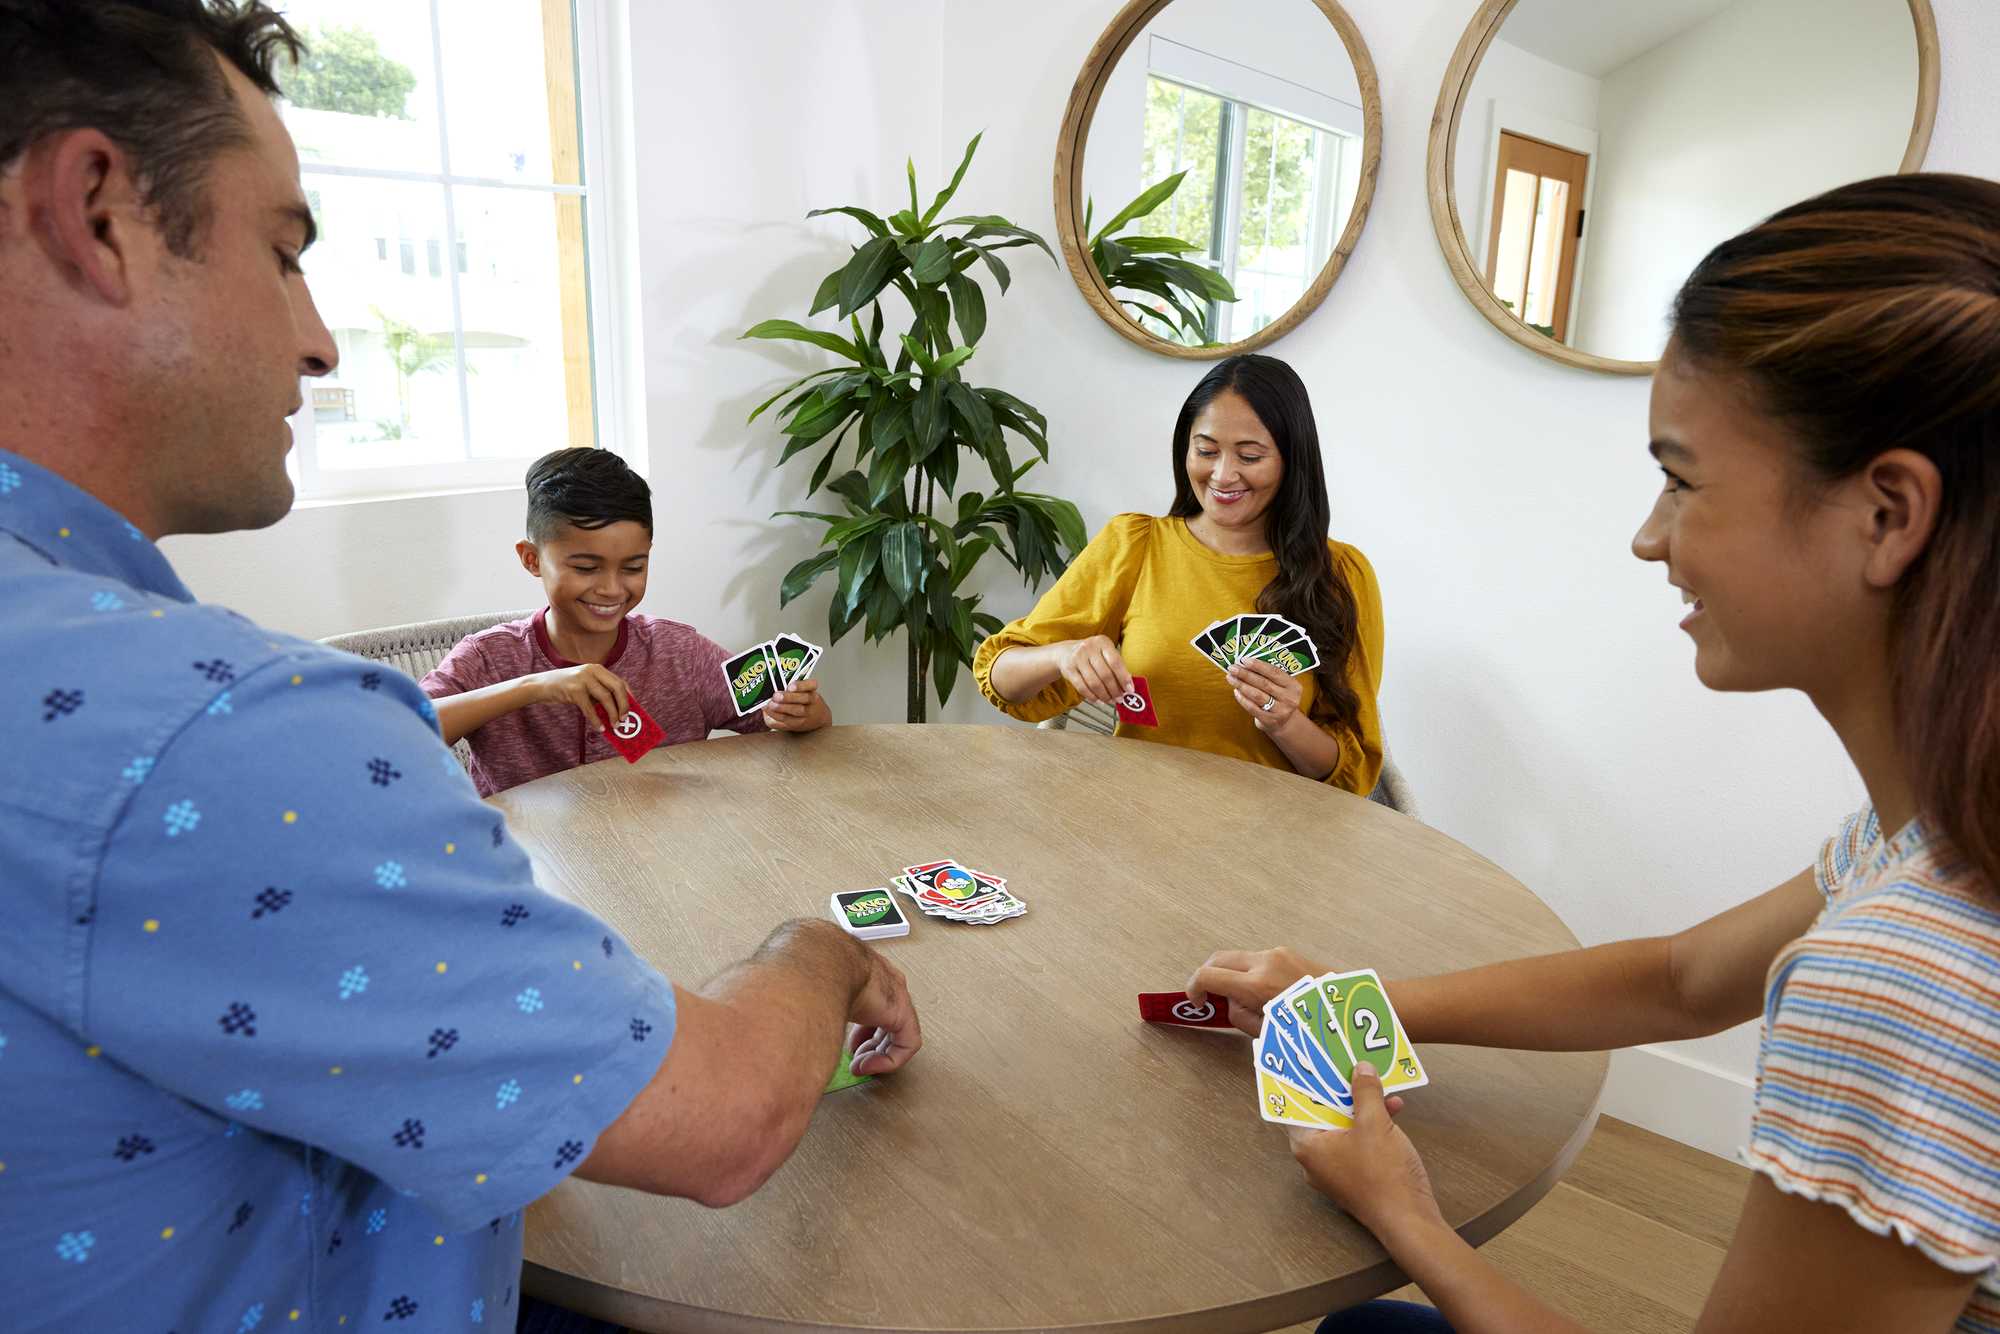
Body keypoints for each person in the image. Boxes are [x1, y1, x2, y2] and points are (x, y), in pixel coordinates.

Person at [0, 5, 919, 1332]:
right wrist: (817, 948)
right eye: (283, 253)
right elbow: (724, 1120)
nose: (320, 341)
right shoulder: (232, 733)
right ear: (96, 214)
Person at [1186, 174, 2000, 1334]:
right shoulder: (1925, 834)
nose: (1645, 536)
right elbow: (1681, 977)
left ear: (1887, 513)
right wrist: (1349, 999)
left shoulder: (1906, 975)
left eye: (1679, 478)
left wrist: (1403, 1212)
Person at [974, 355, 1386, 793]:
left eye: (1250, 456)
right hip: (1141, 812)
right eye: (1206, 451)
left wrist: (1285, 723)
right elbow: (998, 675)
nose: (1222, 475)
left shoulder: (1341, 575)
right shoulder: (1135, 545)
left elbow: (1354, 778)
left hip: (1271, 826)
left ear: (1292, 460)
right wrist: (1063, 655)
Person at [422, 447, 831, 797]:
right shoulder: (488, 658)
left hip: (663, 851)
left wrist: (804, 715)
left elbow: (793, 727)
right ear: (532, 559)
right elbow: (396, 731)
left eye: (633, 567)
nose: (611, 588)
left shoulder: (681, 654)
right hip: (524, 858)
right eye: (586, 568)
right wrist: (533, 687)